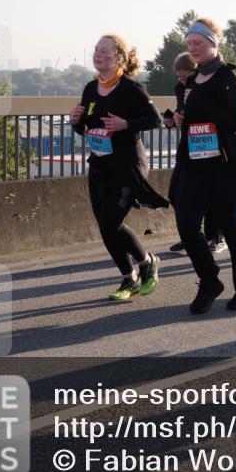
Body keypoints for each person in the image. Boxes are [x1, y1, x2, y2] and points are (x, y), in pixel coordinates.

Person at [70, 35, 167, 301]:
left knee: (111, 222)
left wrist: (126, 124)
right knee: (105, 226)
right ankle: (129, 278)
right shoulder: (91, 88)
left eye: (105, 50)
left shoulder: (130, 88)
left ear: (119, 58)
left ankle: (147, 262)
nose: (98, 54)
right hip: (100, 163)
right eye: (96, 50)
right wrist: (75, 122)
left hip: (128, 165)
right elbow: (86, 128)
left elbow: (155, 120)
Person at [173, 18, 236, 313]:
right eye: (189, 44)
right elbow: (188, 116)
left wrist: (199, 105)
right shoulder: (189, 81)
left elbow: (233, 121)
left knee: (230, 227)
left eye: (197, 42)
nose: (193, 48)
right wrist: (179, 118)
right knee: (186, 223)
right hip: (196, 163)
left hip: (229, 163)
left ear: (212, 42)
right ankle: (209, 280)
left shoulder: (229, 76)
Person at [163, 52, 225, 255]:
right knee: (175, 194)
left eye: (185, 76)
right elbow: (182, 110)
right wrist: (173, 120)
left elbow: (220, 112)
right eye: (179, 77)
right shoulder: (180, 88)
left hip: (211, 143)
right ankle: (191, 236)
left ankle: (215, 237)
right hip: (189, 145)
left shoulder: (208, 85)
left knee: (212, 195)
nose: (182, 81)